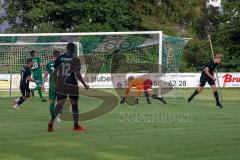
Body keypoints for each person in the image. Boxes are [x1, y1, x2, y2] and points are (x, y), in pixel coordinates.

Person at [51, 42, 89, 132]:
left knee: (59, 104)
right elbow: (77, 74)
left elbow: (55, 71)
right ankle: (76, 126)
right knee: (74, 104)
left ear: (67, 48)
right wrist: (84, 84)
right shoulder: (75, 59)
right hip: (72, 84)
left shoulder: (60, 57)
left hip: (61, 84)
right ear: (74, 49)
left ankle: (51, 123)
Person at [42, 51, 61, 132]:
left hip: (52, 86)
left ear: (53, 56)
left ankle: (52, 115)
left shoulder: (49, 64)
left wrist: (42, 85)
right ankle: (59, 116)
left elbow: (45, 75)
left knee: (52, 102)